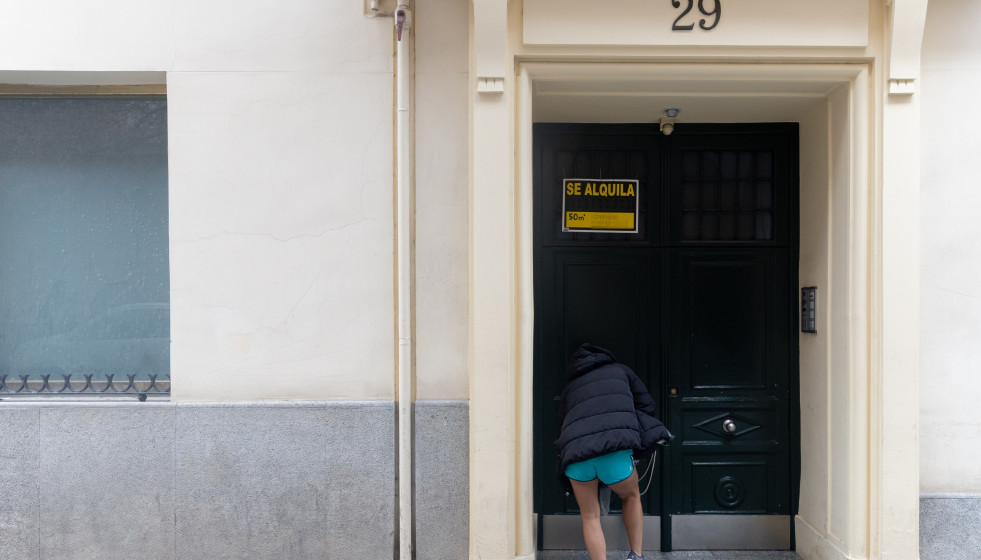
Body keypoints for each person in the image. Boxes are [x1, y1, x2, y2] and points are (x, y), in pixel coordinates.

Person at [555, 343, 671, 560]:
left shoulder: (571, 386)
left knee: (590, 517)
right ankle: (636, 555)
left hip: (577, 456)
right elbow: (647, 405)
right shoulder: (621, 371)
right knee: (631, 495)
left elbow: (561, 423)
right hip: (614, 451)